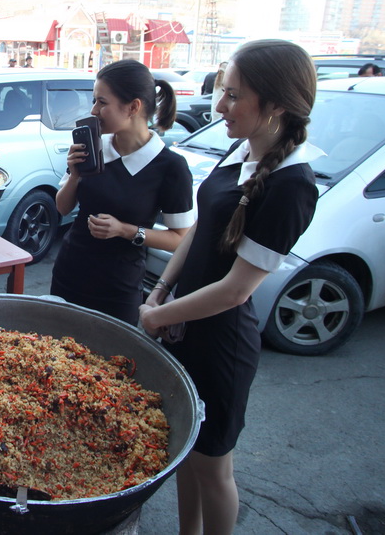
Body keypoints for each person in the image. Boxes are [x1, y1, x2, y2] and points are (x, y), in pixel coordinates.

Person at [139, 39, 323, 535]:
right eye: (223, 92)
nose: (219, 106)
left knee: (213, 468)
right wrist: (162, 289)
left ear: (277, 106)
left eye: (234, 96)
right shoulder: (243, 148)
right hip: (184, 324)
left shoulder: (292, 185)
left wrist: (157, 317)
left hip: (220, 345)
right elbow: (199, 230)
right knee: (184, 453)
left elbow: (236, 290)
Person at [50, 59, 194, 324]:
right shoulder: (93, 146)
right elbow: (62, 207)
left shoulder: (170, 167)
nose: (93, 110)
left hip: (119, 287)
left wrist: (125, 230)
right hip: (69, 272)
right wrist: (75, 174)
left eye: (102, 102)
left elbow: (180, 238)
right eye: (94, 101)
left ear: (133, 107)